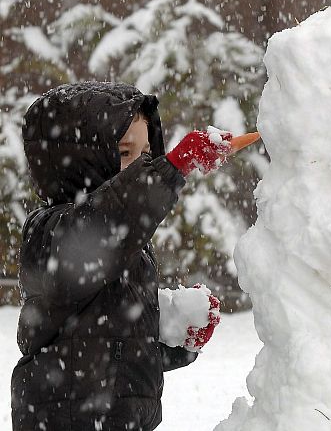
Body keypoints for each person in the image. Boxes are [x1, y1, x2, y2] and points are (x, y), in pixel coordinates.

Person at [12, 81, 234, 430]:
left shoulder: (125, 244)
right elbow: (106, 223)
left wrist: (174, 339)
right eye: (126, 152)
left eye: (147, 153)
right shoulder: (52, 231)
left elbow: (113, 348)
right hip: (68, 417)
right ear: (83, 158)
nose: (141, 165)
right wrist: (171, 168)